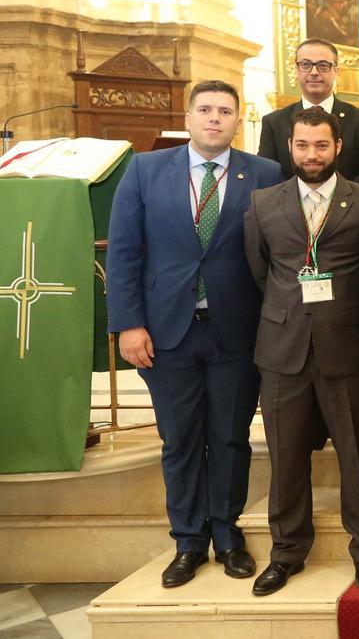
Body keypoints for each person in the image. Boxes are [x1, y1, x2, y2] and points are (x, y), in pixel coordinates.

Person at [107, 80, 284, 588]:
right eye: (205, 110)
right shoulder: (144, 170)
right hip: (165, 333)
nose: (214, 119)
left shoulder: (265, 173)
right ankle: (187, 541)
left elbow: (277, 254)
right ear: (187, 118)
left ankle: (228, 536)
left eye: (225, 111)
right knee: (179, 438)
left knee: (230, 437)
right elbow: (123, 253)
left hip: (236, 331)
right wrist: (128, 324)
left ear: (238, 121)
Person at [243, 107, 359, 595]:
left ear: (338, 147)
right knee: (284, 457)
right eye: (302, 145)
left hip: (347, 347)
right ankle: (286, 552)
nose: (311, 155)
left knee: (357, 454)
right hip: (281, 348)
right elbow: (260, 271)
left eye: (321, 145)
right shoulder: (264, 202)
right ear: (290, 147)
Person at [259, 38, 359, 189]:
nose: (314, 72)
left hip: (350, 209)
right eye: (305, 65)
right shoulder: (274, 123)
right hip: (289, 210)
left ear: (336, 71)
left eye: (323, 66)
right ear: (296, 70)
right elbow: (268, 176)